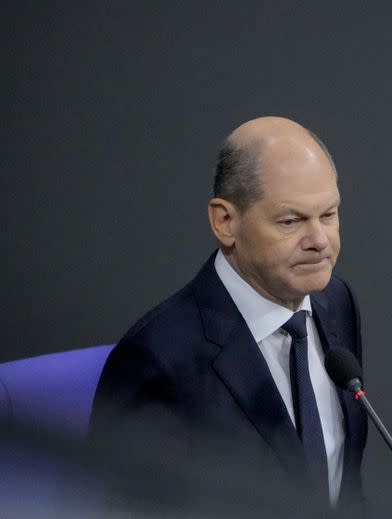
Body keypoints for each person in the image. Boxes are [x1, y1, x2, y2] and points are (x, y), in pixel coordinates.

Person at [90, 117, 366, 518]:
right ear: (225, 222)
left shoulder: (336, 303)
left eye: (329, 215)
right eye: (291, 221)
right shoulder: (158, 360)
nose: (319, 241)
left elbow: (347, 487)